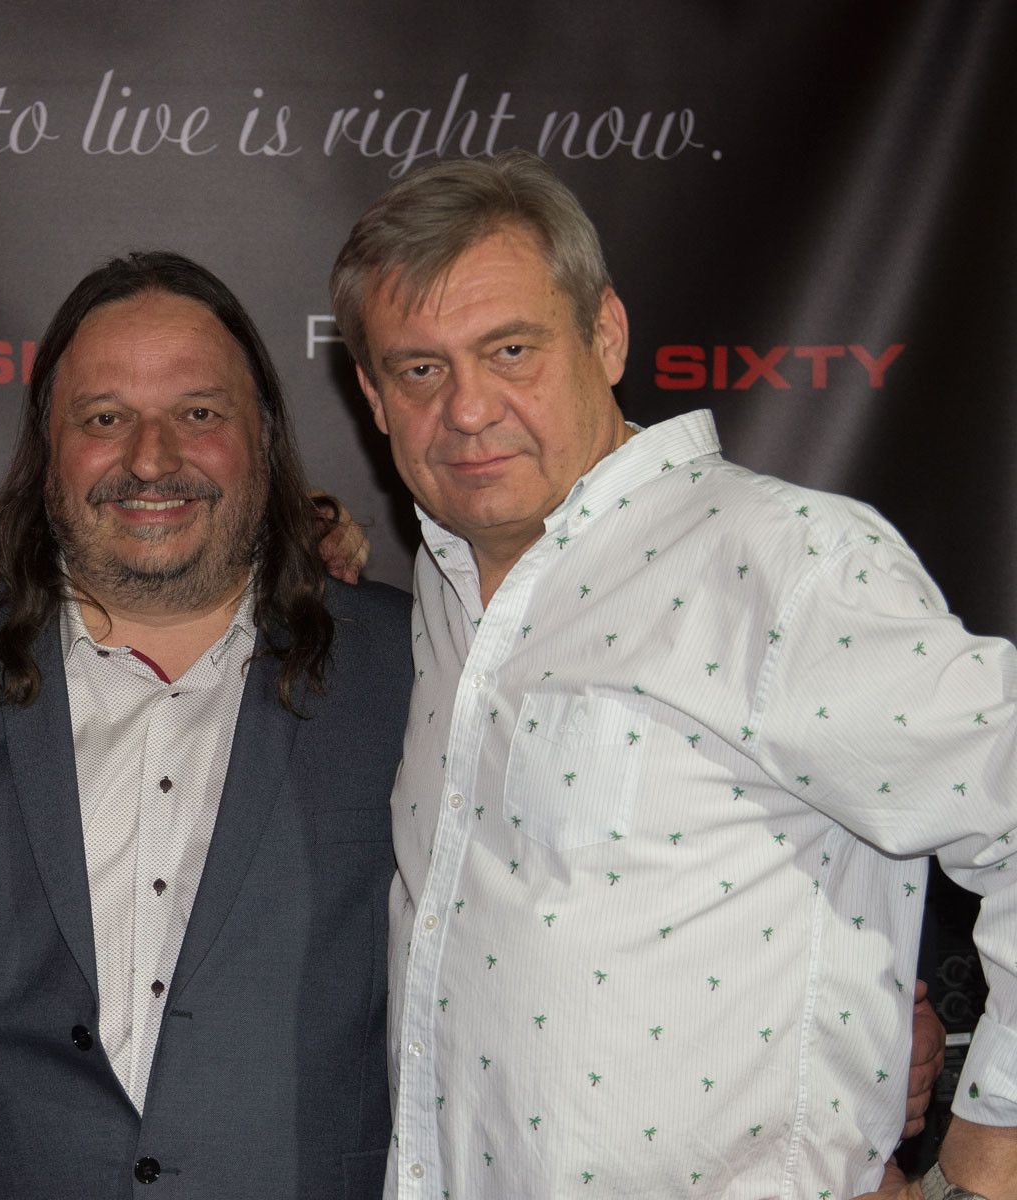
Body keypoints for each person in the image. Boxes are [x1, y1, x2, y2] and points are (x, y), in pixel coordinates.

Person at [329, 151, 1016, 1199]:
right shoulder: (446, 590)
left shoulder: (782, 564)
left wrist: (986, 1163)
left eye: (510, 350)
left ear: (605, 335)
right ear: (373, 397)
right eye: (421, 370)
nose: (467, 409)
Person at [0, 251, 412, 1199]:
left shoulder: (411, 667)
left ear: (264, 438)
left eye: (200, 413)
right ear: (47, 448)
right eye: (104, 418)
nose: (152, 458)